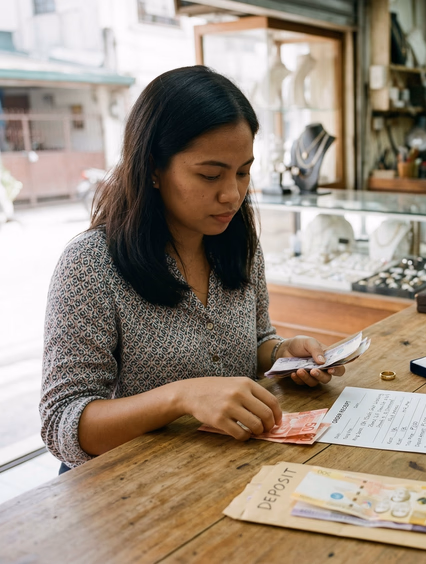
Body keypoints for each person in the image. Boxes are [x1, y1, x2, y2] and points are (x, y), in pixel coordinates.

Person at [40, 66, 344, 473]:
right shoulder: (92, 264)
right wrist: (180, 397)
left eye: (243, 172)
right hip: (127, 491)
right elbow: (62, 422)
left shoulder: (237, 242)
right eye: (210, 174)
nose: (232, 194)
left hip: (222, 470)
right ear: (152, 168)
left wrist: (281, 353)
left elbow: (253, 341)